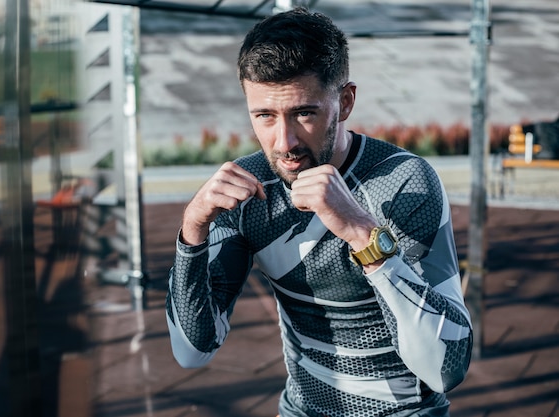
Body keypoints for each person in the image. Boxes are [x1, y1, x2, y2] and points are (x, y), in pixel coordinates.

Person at [166, 7, 472, 417]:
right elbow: (192, 353)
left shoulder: (403, 181)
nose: (284, 142)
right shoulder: (248, 188)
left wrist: (364, 235)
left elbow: (445, 368)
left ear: (344, 102)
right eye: (264, 116)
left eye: (304, 113)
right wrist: (191, 234)